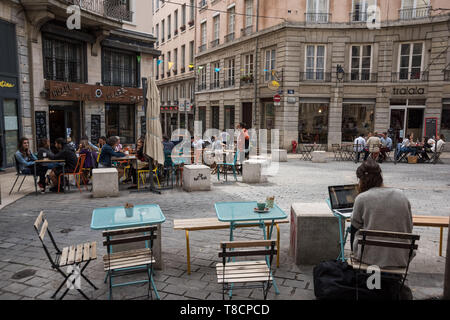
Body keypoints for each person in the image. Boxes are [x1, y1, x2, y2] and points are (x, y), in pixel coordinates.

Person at [350, 159, 414, 268]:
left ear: (361, 180)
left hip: (368, 257)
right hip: (401, 257)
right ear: (380, 176)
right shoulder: (401, 195)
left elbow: (355, 226)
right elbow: (409, 225)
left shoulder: (362, 198)